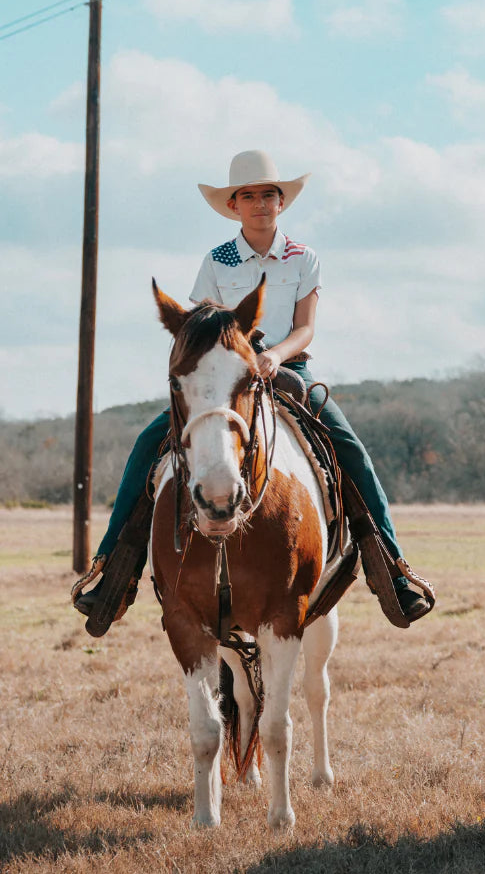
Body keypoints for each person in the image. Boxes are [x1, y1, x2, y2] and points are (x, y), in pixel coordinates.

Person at [74, 150, 431, 628]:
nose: (259, 202)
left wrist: (274, 356)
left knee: (350, 450)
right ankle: (112, 572)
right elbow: (201, 328)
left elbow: (306, 329)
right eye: (248, 196)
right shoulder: (217, 261)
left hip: (290, 369)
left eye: (268, 194)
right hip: (226, 377)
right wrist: (238, 361)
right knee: (148, 445)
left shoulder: (304, 257)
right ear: (234, 206)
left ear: (281, 202)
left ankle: (392, 566)